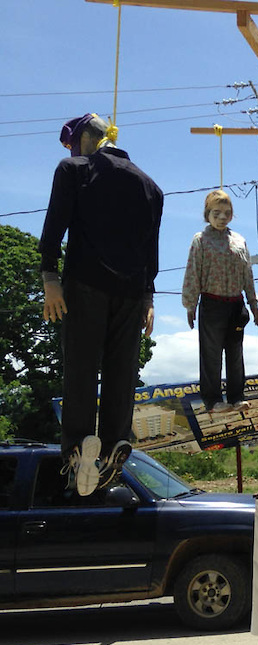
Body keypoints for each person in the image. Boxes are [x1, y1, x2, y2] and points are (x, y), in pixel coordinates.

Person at [40, 113, 163, 496]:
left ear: (83, 140)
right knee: (121, 371)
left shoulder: (73, 169)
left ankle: (78, 447)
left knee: (81, 365)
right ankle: (115, 443)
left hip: (85, 284)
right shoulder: (151, 187)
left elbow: (54, 227)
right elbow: (151, 251)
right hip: (131, 294)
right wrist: (148, 297)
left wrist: (50, 279)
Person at [182, 189, 258, 415]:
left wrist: (253, 305)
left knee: (235, 354)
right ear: (207, 214)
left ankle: (237, 397)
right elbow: (192, 273)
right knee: (211, 354)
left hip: (236, 305)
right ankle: (213, 400)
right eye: (216, 213)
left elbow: (247, 274)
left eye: (227, 213)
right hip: (212, 304)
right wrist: (191, 305)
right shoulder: (201, 240)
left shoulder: (239, 241)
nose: (222, 217)